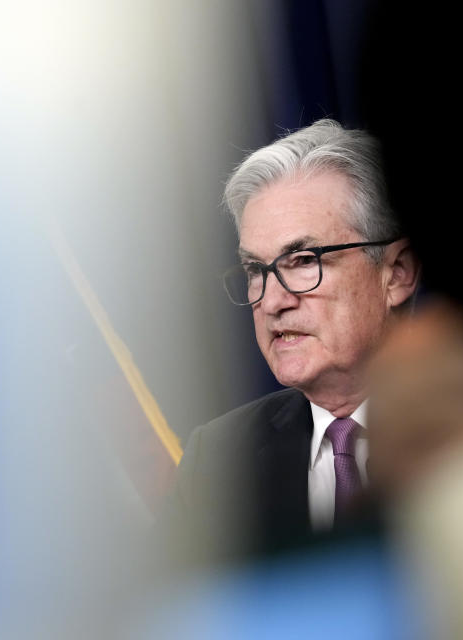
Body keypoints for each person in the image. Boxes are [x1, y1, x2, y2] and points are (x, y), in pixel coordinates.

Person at [159, 119, 420, 562]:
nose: (273, 300)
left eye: (303, 260)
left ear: (396, 273)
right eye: (256, 271)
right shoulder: (217, 460)